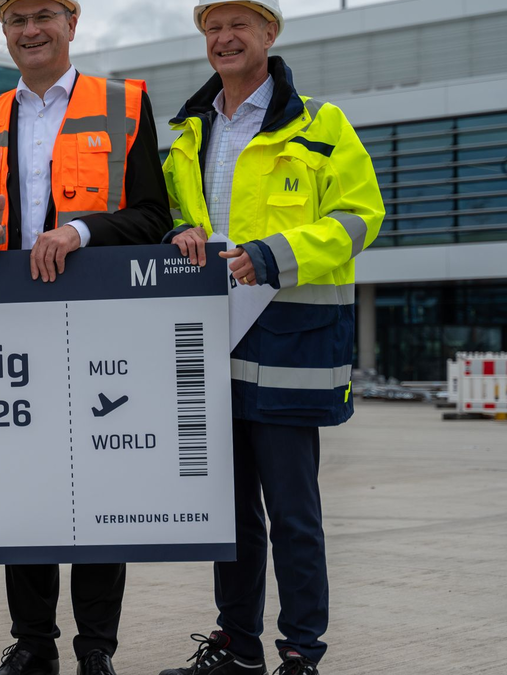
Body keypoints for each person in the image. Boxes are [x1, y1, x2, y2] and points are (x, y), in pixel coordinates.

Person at [0, 2, 171, 675]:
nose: (30, 29)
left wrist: (82, 230)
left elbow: (154, 215)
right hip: (11, 331)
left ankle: (95, 648)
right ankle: (34, 641)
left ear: (72, 24)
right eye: (16, 18)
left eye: (44, 14)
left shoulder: (125, 103)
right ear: (4, 31)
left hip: (101, 326)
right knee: (27, 491)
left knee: (102, 488)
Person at [158, 2, 384, 674]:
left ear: (269, 34)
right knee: (227, 518)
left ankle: (301, 652)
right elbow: (173, 216)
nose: (223, 38)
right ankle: (237, 646)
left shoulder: (322, 126)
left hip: (290, 348)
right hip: (212, 346)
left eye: (239, 25)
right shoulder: (187, 135)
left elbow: (359, 217)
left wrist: (276, 251)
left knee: (292, 515)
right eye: (212, 28)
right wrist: (177, 233)